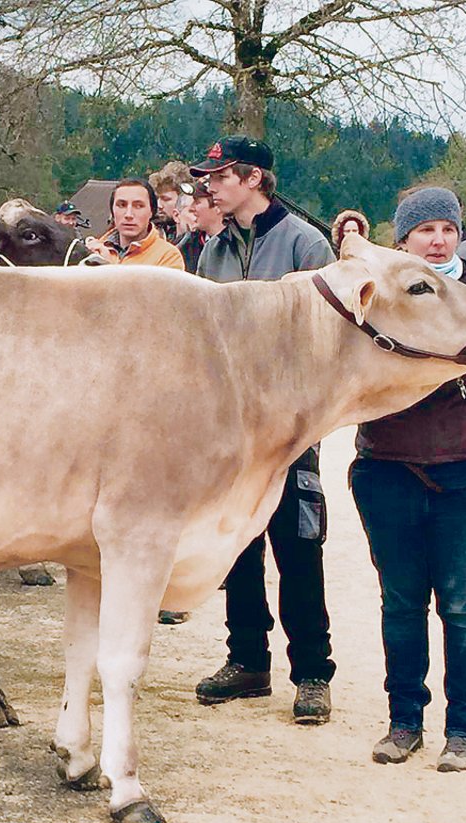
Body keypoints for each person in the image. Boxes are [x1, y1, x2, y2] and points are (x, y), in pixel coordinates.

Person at [351, 186, 466, 772]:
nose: (437, 239)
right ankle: (404, 722)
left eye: (447, 229)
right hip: (386, 467)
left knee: (462, 604)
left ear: (460, 235)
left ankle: (465, 731)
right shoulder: (380, 294)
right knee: (401, 603)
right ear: (401, 239)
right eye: (424, 230)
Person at [188, 135, 338, 724]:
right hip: (230, 428)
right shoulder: (213, 247)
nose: (210, 186)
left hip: (291, 428)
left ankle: (312, 674)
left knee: (299, 549)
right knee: (237, 547)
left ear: (253, 179)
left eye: (220, 176)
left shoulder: (307, 243)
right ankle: (247, 660)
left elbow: (326, 338)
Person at [83, 178, 184, 269]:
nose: (129, 214)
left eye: (139, 206)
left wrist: (107, 266)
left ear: (151, 212)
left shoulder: (168, 256)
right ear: (112, 211)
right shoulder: (94, 250)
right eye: (122, 205)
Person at [176, 180, 224, 273]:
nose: (191, 208)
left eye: (197, 202)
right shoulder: (184, 246)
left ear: (217, 206)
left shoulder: (237, 244)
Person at [149, 161, 193, 242]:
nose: (159, 205)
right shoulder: (153, 232)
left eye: (166, 199)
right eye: (157, 198)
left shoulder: (200, 239)